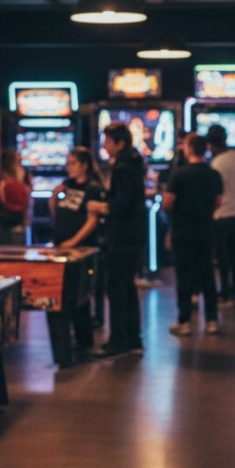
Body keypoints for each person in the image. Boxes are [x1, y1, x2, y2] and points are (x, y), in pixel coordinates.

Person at [88, 122, 147, 357]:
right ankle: (132, 339)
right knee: (127, 288)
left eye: (108, 141)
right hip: (134, 235)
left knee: (117, 289)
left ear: (119, 143)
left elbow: (122, 204)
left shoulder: (123, 167)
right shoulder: (133, 162)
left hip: (122, 236)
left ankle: (119, 342)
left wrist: (101, 207)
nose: (104, 145)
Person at [49, 147, 107, 357]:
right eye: (68, 162)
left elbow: (92, 221)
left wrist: (73, 242)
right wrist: (54, 198)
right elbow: (57, 210)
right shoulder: (68, 185)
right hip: (61, 246)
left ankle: (85, 340)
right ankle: (76, 339)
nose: (69, 167)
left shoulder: (93, 188)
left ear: (84, 165)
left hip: (81, 248)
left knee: (79, 295)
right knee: (65, 293)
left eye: (73, 163)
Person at [164, 133, 223, 335]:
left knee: (184, 276)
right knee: (207, 275)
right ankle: (212, 320)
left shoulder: (178, 174)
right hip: (206, 229)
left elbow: (168, 202)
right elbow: (218, 202)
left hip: (183, 230)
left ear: (188, 149)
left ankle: (185, 321)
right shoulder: (213, 174)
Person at [208, 124, 235, 306]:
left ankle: (225, 292)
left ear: (211, 144)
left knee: (223, 256)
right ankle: (234, 290)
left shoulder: (216, 164)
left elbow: (213, 193)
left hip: (221, 214)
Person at [0, 149, 31, 245]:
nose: (21, 167)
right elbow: (23, 205)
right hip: (11, 229)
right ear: (11, 164)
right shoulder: (10, 184)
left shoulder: (1, 181)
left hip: (8, 227)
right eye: (18, 163)